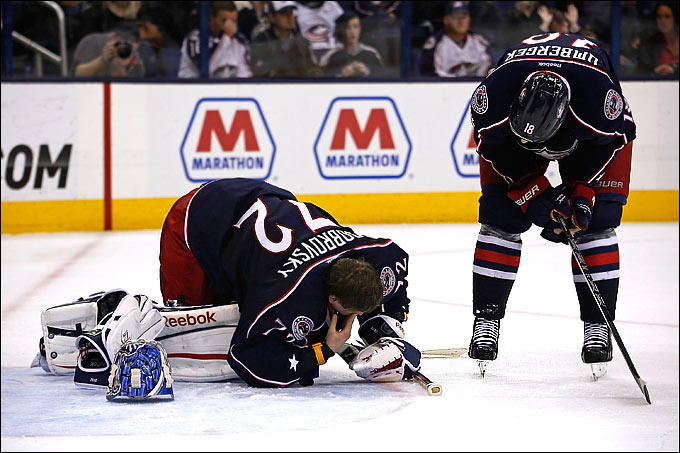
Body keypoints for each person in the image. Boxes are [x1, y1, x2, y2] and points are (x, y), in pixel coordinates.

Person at [467, 33, 636, 377]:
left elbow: (611, 143)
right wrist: (531, 192)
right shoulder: (493, 98)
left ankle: (597, 324)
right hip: (513, 137)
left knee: (598, 221)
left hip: (592, 135)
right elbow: (492, 147)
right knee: (501, 216)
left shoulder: (599, 104)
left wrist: (583, 195)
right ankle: (486, 318)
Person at [158, 178, 420, 387]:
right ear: (331, 298)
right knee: (193, 328)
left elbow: (394, 288)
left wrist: (386, 333)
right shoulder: (284, 297)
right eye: (352, 313)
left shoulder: (381, 256)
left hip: (260, 197)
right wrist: (322, 351)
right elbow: (246, 359)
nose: (358, 316)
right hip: (199, 216)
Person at [178, 1, 252, 79]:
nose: (229, 25)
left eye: (233, 21)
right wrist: (224, 36)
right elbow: (206, 68)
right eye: (224, 20)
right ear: (212, 19)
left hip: (227, 88)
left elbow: (244, 74)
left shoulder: (239, 42)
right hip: (191, 87)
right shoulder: (194, 38)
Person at [419, 1, 491, 78]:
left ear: (469, 19)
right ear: (446, 20)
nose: (460, 21)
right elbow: (429, 76)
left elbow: (491, 72)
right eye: (456, 17)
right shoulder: (435, 44)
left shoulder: (480, 42)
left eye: (464, 16)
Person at [250, 1, 321, 77]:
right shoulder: (261, 41)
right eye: (284, 14)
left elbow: (314, 71)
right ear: (272, 17)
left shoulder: (302, 41)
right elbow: (260, 75)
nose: (289, 17)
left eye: (291, 12)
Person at [318, 11, 386, 77]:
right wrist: (340, 74)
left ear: (360, 29)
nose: (352, 32)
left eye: (356, 27)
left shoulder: (371, 53)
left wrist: (367, 71)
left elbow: (383, 76)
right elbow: (321, 78)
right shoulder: (330, 56)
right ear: (341, 30)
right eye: (348, 27)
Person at [71, 23, 154, 77]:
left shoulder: (136, 61)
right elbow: (77, 74)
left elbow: (126, 90)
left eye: (128, 44)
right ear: (113, 38)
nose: (122, 47)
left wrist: (122, 69)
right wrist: (102, 61)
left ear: (137, 45)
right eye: (119, 43)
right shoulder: (92, 41)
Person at [636, 1, 679, 76]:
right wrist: (655, 71)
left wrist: (674, 69)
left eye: (667, 16)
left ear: (675, 18)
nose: (663, 21)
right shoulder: (647, 43)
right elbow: (641, 69)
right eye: (659, 17)